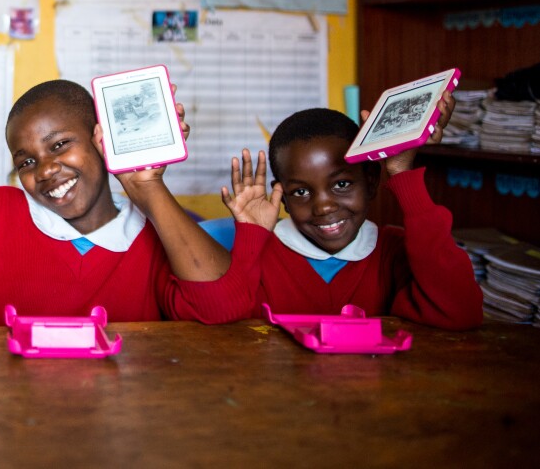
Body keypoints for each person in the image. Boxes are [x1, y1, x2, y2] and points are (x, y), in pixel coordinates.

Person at [0, 79, 233, 328]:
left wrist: (149, 189)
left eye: (60, 145)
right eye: (26, 162)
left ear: (103, 140)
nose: (46, 169)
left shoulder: (153, 236)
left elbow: (221, 309)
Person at [192, 95, 483, 329]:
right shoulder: (256, 255)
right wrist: (250, 239)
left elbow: (460, 312)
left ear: (371, 181)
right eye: (301, 192)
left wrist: (400, 172)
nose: (324, 206)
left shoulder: (393, 252)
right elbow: (222, 322)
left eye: (341, 184)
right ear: (281, 196)